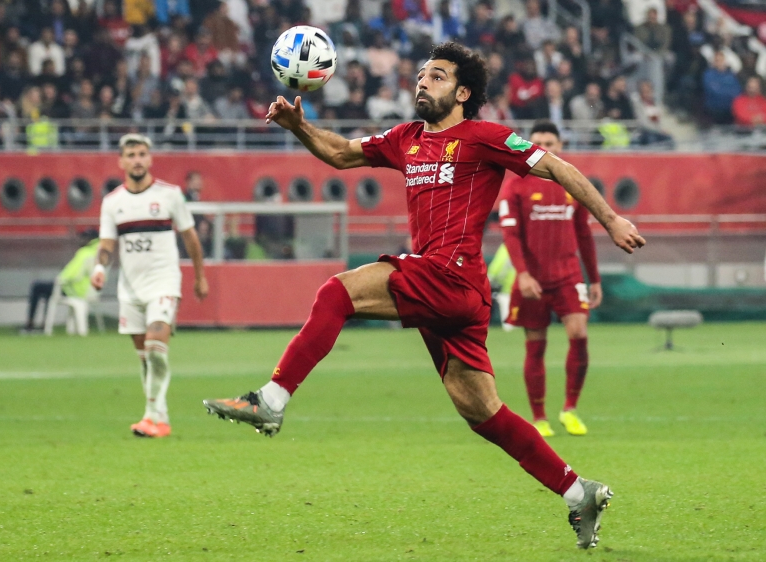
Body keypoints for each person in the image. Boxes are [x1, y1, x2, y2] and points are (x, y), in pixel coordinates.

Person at [203, 42, 645, 549]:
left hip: (451, 274)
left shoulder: (487, 138)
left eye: (435, 76)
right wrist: (299, 127)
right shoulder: (405, 138)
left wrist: (610, 218)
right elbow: (342, 154)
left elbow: (559, 169)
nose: (421, 82)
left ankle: (271, 400)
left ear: (462, 93)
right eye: (420, 75)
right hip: (458, 294)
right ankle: (577, 492)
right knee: (482, 412)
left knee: (337, 293)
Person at [91, 134, 210, 438]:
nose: (137, 159)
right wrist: (100, 268)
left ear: (150, 158)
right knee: (145, 357)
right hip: (130, 290)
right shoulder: (112, 202)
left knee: (156, 349)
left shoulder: (170, 195)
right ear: (121, 161)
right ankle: (162, 418)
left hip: (164, 283)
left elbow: (190, 237)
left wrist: (199, 276)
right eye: (131, 154)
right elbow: (107, 243)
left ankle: (149, 416)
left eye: (142, 153)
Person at [498, 121, 601, 438]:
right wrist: (523, 274)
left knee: (579, 334)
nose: (544, 148)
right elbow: (510, 234)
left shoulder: (573, 181)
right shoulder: (516, 184)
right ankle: (539, 418)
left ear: (560, 146)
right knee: (535, 347)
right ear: (530, 146)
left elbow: (584, 233)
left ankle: (570, 409)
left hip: (568, 274)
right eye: (538, 142)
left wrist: (593, 279)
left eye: (550, 143)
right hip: (533, 280)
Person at [21, 228, 101, 333]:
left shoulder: (85, 253)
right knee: (48, 291)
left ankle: (31, 324)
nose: (81, 240)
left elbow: (72, 274)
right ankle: (43, 325)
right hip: (90, 291)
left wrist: (59, 279)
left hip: (74, 290)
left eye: (84, 238)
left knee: (38, 287)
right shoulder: (100, 253)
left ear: (91, 240)